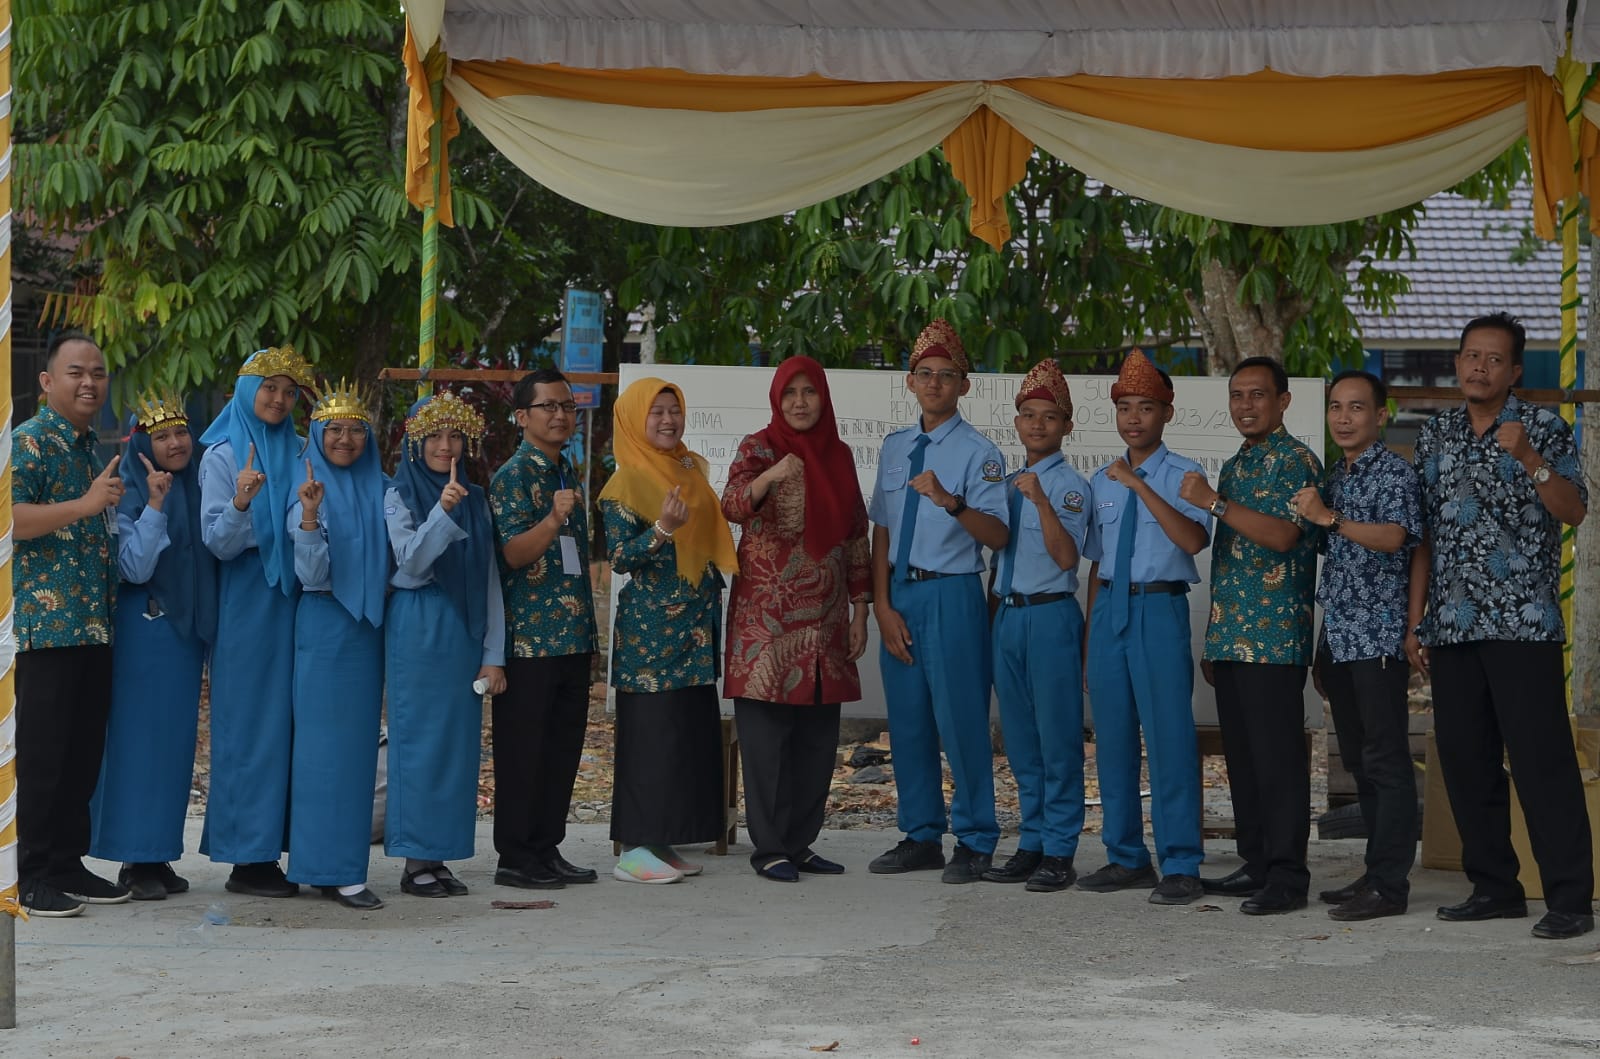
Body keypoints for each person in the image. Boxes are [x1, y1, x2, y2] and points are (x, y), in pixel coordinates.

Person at [1407, 312, 1594, 940]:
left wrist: (1532, 460)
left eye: (1493, 359)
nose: (1478, 367)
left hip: (1523, 623)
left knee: (1542, 762)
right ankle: (1494, 888)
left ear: (1514, 371)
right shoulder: (1435, 434)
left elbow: (1574, 511)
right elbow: (1425, 535)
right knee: (1466, 762)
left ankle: (1570, 898)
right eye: (1470, 356)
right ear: (1457, 363)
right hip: (1452, 624)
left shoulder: (1544, 427)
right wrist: (1416, 620)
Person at [867, 319, 1009, 883]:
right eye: (924, 374)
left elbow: (998, 535)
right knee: (908, 722)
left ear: (964, 385)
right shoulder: (895, 447)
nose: (934, 384)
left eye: (946, 375)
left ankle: (975, 839)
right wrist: (881, 605)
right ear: (909, 381)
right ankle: (920, 834)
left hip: (952, 593)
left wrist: (951, 502)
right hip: (901, 594)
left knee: (961, 720)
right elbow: (881, 529)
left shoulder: (980, 453)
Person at [1180, 356, 1322, 915]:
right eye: (1237, 395)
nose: (1245, 405)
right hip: (1232, 636)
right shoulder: (1238, 464)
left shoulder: (1297, 461)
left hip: (1274, 639)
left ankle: (1287, 876)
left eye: (1257, 394)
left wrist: (1213, 503)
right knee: (1243, 759)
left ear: (1283, 401)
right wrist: (1215, 635)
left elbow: (1285, 536)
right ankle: (1258, 862)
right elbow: (1230, 558)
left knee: (1278, 760)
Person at [721, 356, 870, 882]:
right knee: (767, 745)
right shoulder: (758, 448)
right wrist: (770, 476)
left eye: (810, 392)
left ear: (823, 398)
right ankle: (770, 849)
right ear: (777, 399)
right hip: (767, 627)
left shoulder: (839, 455)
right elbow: (731, 505)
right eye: (791, 393)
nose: (801, 402)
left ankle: (801, 843)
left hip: (826, 625)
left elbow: (856, 534)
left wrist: (861, 609)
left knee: (816, 744)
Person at [1078, 351, 1212, 905]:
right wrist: (1090, 640)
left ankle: (1180, 862)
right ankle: (1126, 856)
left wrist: (1139, 486)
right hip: (1110, 609)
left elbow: (1193, 540)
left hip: (1159, 609)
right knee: (1112, 741)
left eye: (1146, 407)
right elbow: (1097, 562)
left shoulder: (1184, 475)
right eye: (1125, 408)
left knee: (1169, 739)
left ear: (1167, 413)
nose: (1134, 418)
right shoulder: (1100, 480)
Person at [1291, 370, 1421, 921]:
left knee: (1386, 761)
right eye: (1336, 408)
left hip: (1379, 638)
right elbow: (1339, 564)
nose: (1343, 418)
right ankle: (1375, 871)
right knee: (1362, 762)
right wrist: (1323, 646)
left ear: (1381, 415)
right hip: (1341, 638)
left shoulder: (1394, 472)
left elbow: (1395, 537)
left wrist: (1329, 517)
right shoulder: (1336, 476)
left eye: (1357, 408)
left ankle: (1391, 886)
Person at [601, 377, 739, 884]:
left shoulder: (687, 469)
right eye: (655, 411)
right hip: (651, 637)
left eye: (673, 410)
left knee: (685, 738)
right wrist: (661, 529)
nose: (667, 420)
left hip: (694, 631)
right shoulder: (624, 483)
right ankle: (635, 849)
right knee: (652, 740)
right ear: (634, 419)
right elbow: (620, 558)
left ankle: (663, 841)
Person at [12, 332, 125, 916]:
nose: (89, 383)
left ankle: (66, 864)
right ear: (46, 381)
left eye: (98, 373)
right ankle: (28, 874)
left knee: (81, 755)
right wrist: (84, 505)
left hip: (92, 625)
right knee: (43, 757)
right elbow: (9, 519)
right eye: (76, 372)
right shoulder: (28, 442)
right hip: (45, 629)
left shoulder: (88, 448)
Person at [89, 389, 218, 901]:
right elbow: (134, 568)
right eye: (161, 436)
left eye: (181, 432)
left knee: (172, 747)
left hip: (183, 637)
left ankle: (157, 852)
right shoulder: (128, 492)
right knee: (139, 745)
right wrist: (156, 503)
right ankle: (133, 858)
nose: (176, 443)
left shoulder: (200, 485)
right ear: (142, 445)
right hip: (144, 634)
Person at [199, 344, 316, 898]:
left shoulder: (301, 449)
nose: (279, 399)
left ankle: (290, 846)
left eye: (289, 391)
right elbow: (217, 543)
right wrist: (243, 502)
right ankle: (248, 858)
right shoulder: (223, 455)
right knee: (249, 725)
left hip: (299, 596)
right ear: (247, 391)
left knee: (294, 726)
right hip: (247, 601)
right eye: (269, 387)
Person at [386, 391, 506, 898]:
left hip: (464, 630)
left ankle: (438, 855)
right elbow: (410, 564)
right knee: (419, 742)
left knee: (457, 747)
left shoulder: (476, 498)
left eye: (455, 435)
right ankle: (415, 861)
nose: (445, 445)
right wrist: (441, 511)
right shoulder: (397, 494)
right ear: (414, 442)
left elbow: (491, 578)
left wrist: (493, 655)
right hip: (418, 625)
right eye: (433, 435)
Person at [980, 359, 1092, 894]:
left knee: (1058, 738)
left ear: (1066, 425)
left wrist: (1041, 501)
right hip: (1008, 615)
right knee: (1021, 741)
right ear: (1017, 423)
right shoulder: (1003, 484)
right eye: (1028, 415)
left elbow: (1067, 557)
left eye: (1049, 416)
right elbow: (995, 558)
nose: (1038, 424)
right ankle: (1032, 840)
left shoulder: (1070, 487)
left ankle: (1060, 849)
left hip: (1050, 615)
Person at [489, 369, 598, 889]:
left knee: (561, 750)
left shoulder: (565, 471)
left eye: (567, 407)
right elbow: (512, 554)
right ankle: (515, 856)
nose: (560, 415)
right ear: (522, 416)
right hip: (530, 640)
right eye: (548, 406)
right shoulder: (513, 476)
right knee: (524, 752)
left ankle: (545, 847)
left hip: (572, 636)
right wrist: (552, 521)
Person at [286, 381, 388, 909]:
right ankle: (323, 867)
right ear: (316, 435)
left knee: (356, 753)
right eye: (334, 431)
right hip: (324, 623)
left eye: (355, 430)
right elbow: (311, 573)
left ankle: (345, 867)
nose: (345, 440)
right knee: (320, 754)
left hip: (368, 630)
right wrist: (309, 516)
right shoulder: (305, 486)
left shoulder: (385, 488)